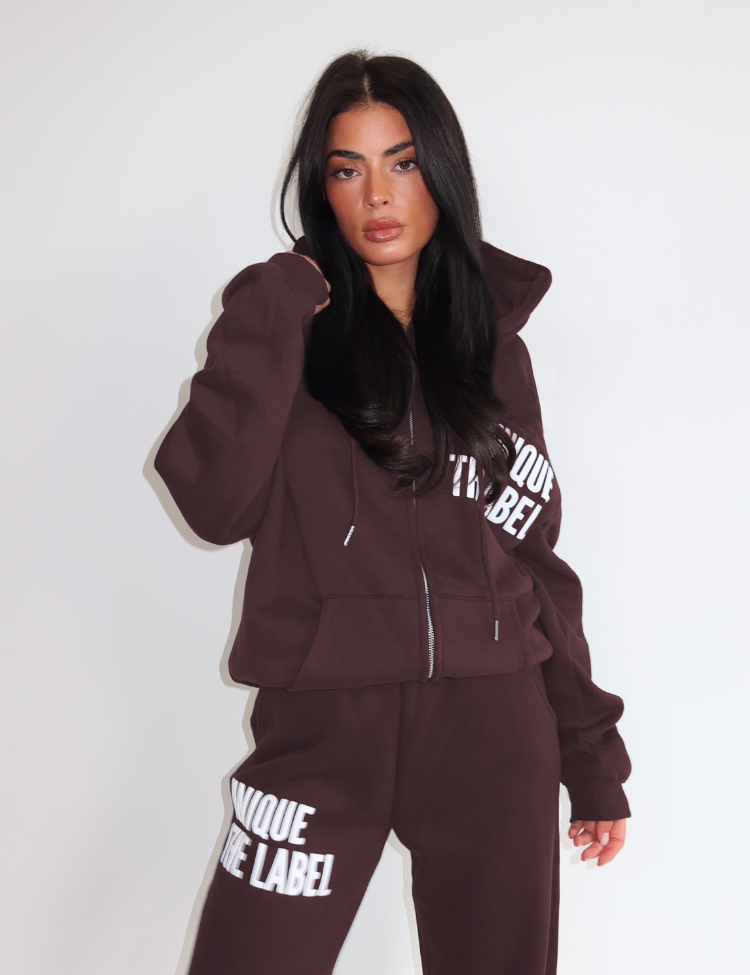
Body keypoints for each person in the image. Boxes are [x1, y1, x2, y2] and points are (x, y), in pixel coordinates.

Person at [154, 49, 632, 975]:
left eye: (402, 162)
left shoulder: (494, 352)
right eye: (348, 169)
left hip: (493, 727)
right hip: (320, 726)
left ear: (440, 173)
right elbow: (213, 504)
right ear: (320, 188)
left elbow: (534, 557)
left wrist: (590, 752)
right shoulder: (284, 325)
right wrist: (275, 304)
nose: (377, 194)